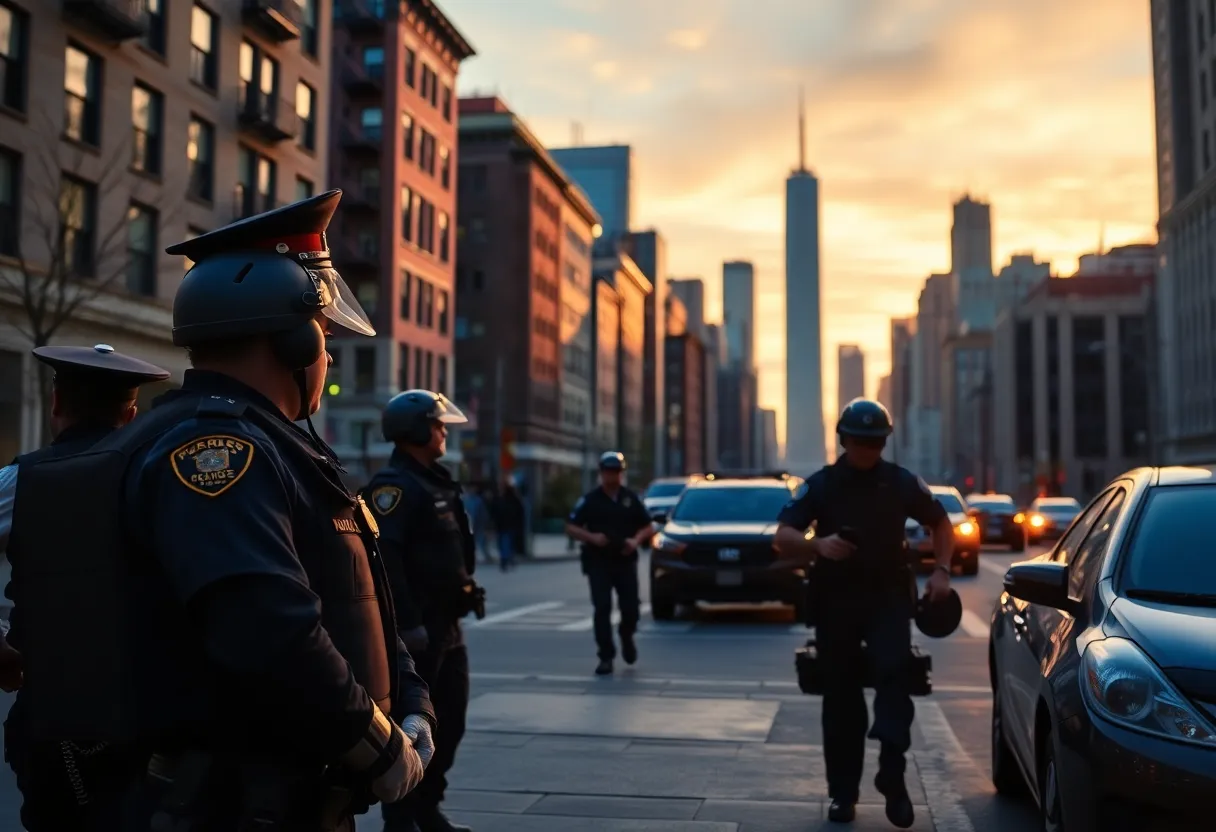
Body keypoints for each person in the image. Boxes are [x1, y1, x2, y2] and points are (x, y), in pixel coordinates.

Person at [7, 190, 436, 830]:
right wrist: (378, 749)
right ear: (291, 341)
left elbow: (358, 594)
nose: (326, 354)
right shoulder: (217, 450)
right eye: (321, 335)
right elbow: (268, 627)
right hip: (231, 802)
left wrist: (412, 703)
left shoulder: (278, 446)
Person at [0, 344, 169, 831]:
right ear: (132, 414)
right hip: (155, 726)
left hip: (57, 727)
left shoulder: (23, 481)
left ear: (56, 403)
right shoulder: (158, 478)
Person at [773, 398, 953, 829]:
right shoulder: (821, 485)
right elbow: (782, 536)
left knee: (895, 676)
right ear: (844, 440)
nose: (868, 450)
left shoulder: (902, 482)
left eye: (875, 442)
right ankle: (842, 793)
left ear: (884, 443)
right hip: (836, 600)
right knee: (841, 698)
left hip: (888, 597)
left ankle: (892, 774)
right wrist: (817, 545)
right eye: (860, 441)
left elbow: (942, 524)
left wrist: (942, 571)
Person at [363, 389, 480, 832]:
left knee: (451, 724)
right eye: (436, 425)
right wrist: (408, 624)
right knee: (415, 726)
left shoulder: (435, 480)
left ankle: (427, 807)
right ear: (414, 431)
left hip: (448, 626)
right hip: (419, 631)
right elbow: (386, 561)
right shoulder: (393, 488)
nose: (442, 431)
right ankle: (401, 818)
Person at [566, 451, 655, 676]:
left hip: (624, 559)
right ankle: (606, 656)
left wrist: (635, 541)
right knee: (602, 607)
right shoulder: (590, 500)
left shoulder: (630, 498)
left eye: (616, 472)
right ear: (601, 473)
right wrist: (592, 537)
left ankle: (627, 636)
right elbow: (571, 526)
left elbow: (648, 526)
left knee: (631, 609)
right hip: (599, 560)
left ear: (621, 473)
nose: (611, 476)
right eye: (608, 472)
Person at [492, 481, 526, 571]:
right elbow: (520, 513)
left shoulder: (502, 500)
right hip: (510, 525)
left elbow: (496, 513)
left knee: (505, 542)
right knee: (508, 542)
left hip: (503, 525)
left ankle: (506, 559)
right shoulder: (515, 501)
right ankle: (508, 558)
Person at [462, 487, 492, 565]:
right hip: (476, 523)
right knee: (480, 541)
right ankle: (484, 556)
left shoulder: (468, 501)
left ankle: (480, 556)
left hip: (474, 523)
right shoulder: (476, 501)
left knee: (477, 541)